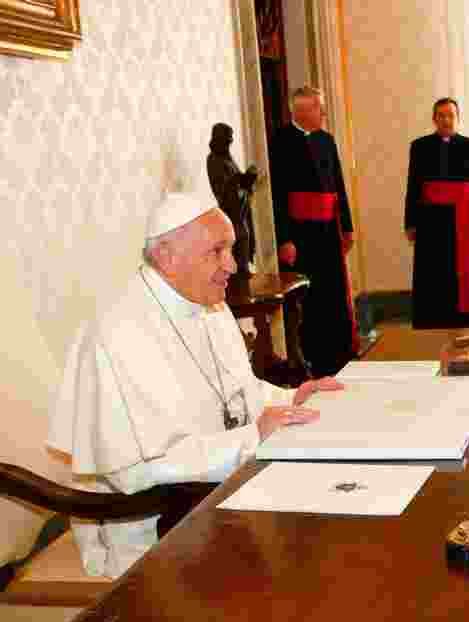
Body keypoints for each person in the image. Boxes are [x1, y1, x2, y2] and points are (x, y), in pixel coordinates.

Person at [48, 193, 342, 577]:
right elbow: (134, 471)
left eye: (231, 249)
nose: (232, 266)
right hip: (158, 532)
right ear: (167, 256)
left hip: (220, 498)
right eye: (217, 251)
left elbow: (236, 394)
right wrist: (251, 438)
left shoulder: (208, 304)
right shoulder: (117, 334)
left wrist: (291, 399)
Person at [270, 86, 358, 375]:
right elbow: (278, 195)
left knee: (332, 293)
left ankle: (339, 353)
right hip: (301, 235)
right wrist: (285, 239)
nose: (323, 113)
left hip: (328, 230)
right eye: (318, 108)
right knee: (309, 298)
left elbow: (338, 186)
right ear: (301, 111)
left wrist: (346, 226)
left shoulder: (327, 140)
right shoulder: (281, 141)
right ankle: (312, 359)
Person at [404, 97, 469, 329]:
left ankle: (465, 320)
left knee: (464, 276)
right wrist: (411, 223)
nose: (446, 120)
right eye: (441, 115)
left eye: (450, 115)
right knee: (433, 273)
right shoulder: (419, 146)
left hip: (463, 220)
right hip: (431, 221)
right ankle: (433, 318)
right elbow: (413, 186)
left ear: (457, 118)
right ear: (434, 119)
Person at [207, 123, 258, 284]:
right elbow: (225, 191)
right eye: (226, 141)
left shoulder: (227, 158)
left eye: (230, 141)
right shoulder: (214, 160)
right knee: (237, 254)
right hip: (231, 215)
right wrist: (240, 181)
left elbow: (238, 184)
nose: (229, 144)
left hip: (240, 214)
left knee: (244, 245)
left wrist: (247, 180)